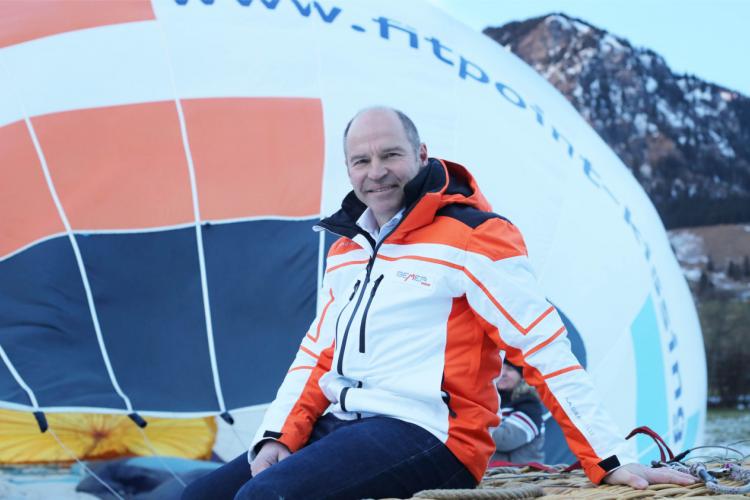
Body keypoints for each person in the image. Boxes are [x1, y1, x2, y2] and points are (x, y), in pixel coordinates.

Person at [182, 107, 695, 499]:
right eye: (361, 161)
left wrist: (607, 459)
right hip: (343, 425)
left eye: (390, 156)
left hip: (431, 434)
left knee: (265, 496)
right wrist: (277, 436)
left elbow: (542, 347)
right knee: (198, 494)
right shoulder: (346, 249)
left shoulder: (475, 236)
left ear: (421, 156)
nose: (376, 172)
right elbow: (316, 356)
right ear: (348, 170)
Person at [491, 361, 546, 464]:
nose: (502, 373)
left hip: (519, 476)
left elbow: (504, 440)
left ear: (522, 376)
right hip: (491, 476)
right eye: (500, 367)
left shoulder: (529, 405)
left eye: (510, 369)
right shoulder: (492, 402)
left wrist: (471, 423)